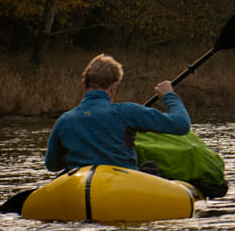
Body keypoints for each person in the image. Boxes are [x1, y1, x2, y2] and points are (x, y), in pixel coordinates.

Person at [46, 53, 191, 173]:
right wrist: (168, 95)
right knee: (151, 168)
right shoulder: (127, 112)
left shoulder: (64, 120)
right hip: (122, 185)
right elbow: (181, 124)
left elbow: (51, 166)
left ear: (84, 84)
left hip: (81, 185)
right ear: (114, 86)